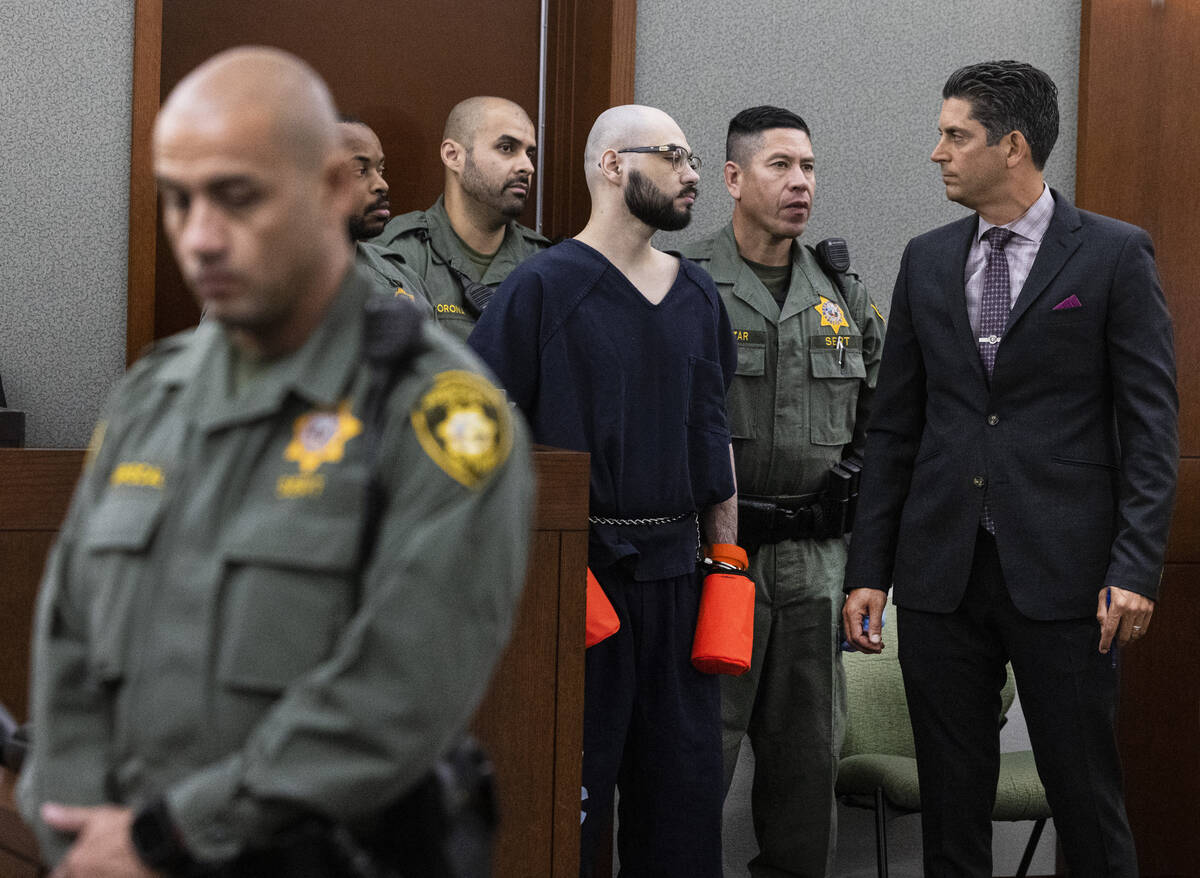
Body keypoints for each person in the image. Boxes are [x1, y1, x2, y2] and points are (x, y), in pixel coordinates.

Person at [18, 46, 533, 876]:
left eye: (238, 196)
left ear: (331, 189)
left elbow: (398, 693)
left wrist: (167, 838)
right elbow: (69, 645)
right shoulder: (150, 399)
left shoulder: (434, 411)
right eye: (178, 201)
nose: (201, 236)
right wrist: (78, 833)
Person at [843, 61, 1178, 877]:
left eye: (956, 135)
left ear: (1014, 147)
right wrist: (869, 570)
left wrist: (1135, 567)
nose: (937, 153)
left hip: (1070, 578)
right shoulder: (926, 260)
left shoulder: (1111, 254)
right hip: (941, 575)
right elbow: (895, 430)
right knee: (952, 813)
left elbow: (1150, 427)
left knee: (1086, 800)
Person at [469, 105, 737, 878]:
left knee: (684, 816)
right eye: (675, 157)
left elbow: (716, 436)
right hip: (578, 589)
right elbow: (469, 441)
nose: (692, 175)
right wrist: (542, 561)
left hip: (680, 583)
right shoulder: (542, 290)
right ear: (613, 165)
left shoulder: (697, 295)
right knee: (567, 815)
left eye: (693, 159)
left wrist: (726, 562)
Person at [682, 105, 884, 878]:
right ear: (732, 178)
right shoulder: (687, 284)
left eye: (808, 168)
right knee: (695, 760)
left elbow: (887, 420)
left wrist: (867, 557)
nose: (800, 183)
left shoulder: (842, 293)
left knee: (808, 771)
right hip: (715, 562)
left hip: (816, 562)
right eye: (780, 166)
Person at [373, 96, 549, 341]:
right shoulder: (397, 254)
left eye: (529, 153)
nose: (527, 166)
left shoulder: (543, 263)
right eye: (507, 148)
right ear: (453, 155)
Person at [337, 117, 432, 312]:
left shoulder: (401, 276)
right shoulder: (274, 281)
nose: (382, 184)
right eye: (360, 171)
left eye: (380, 170)